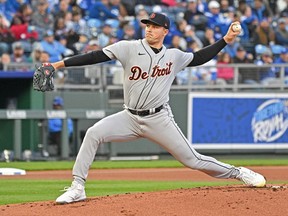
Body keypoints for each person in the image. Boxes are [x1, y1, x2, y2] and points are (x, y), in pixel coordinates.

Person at [41, 12, 266, 204]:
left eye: (155, 26)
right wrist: (58, 64)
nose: (149, 29)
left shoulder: (174, 56)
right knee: (93, 133)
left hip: (159, 118)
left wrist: (225, 40)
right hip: (129, 117)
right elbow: (94, 56)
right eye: (147, 25)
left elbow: (199, 58)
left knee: (192, 160)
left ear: (165, 31)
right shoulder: (128, 48)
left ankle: (238, 173)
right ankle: (77, 187)